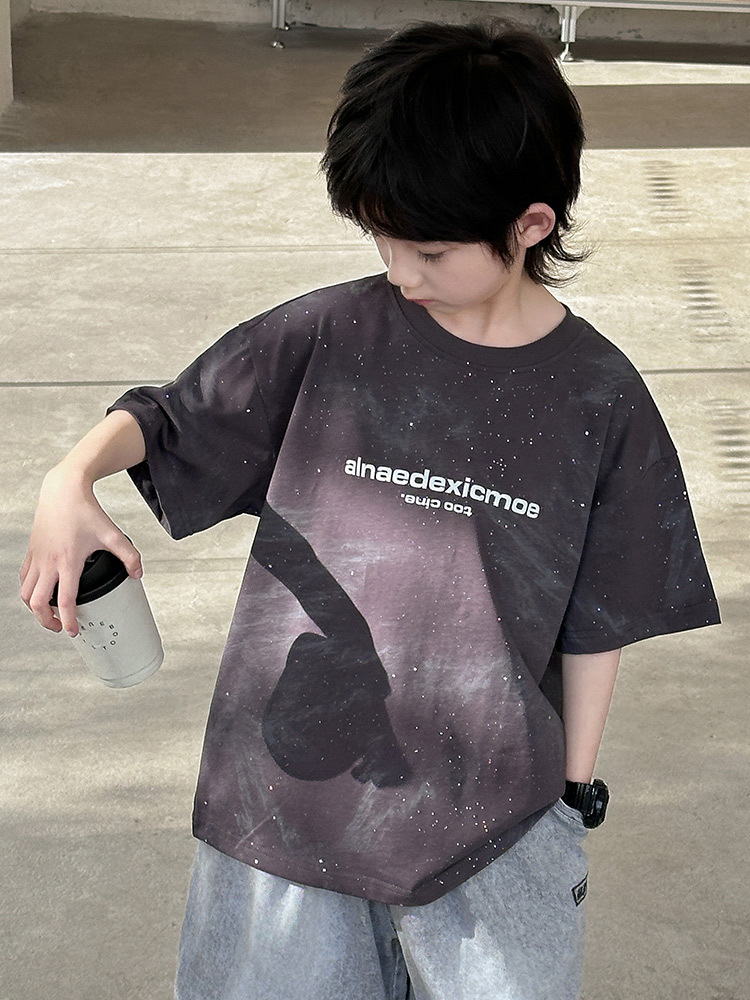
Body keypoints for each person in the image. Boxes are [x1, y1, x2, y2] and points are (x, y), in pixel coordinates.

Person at [20, 19, 720, 1000]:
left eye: (427, 248)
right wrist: (68, 480)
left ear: (531, 225)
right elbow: (170, 417)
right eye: (383, 238)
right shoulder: (332, 333)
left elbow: (597, 625)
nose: (400, 271)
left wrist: (570, 797)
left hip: (494, 828)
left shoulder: (601, 399)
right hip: (280, 820)